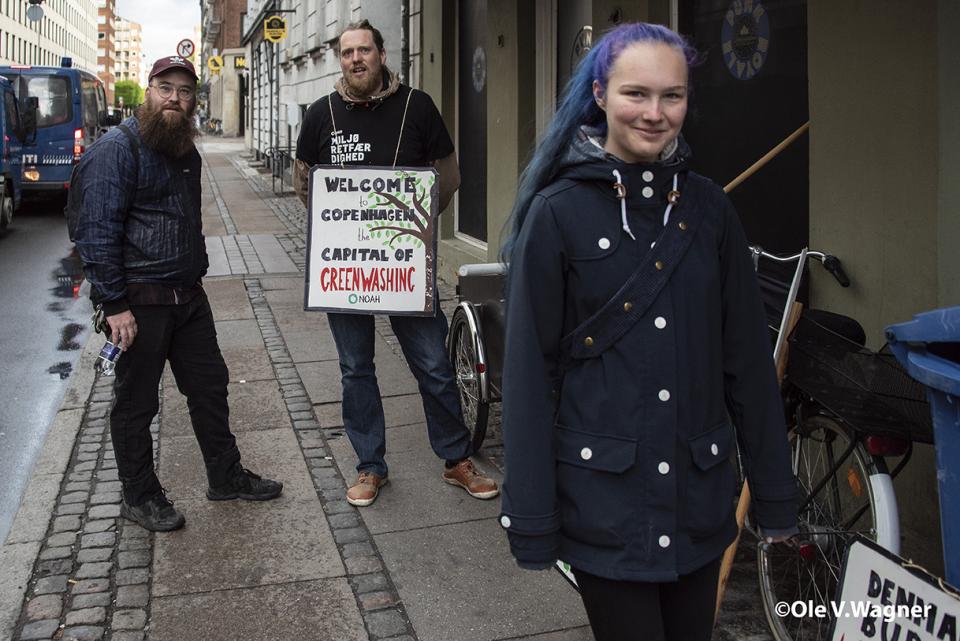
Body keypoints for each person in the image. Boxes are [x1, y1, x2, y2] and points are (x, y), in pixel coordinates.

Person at [497, 23, 798, 641]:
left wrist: (773, 493)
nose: (655, 114)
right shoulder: (556, 214)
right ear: (601, 94)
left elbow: (746, 364)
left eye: (673, 96)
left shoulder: (710, 211)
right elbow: (529, 376)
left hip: (700, 499)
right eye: (637, 94)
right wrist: (530, 513)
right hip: (604, 503)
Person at [294, 19, 499, 507]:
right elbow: (307, 183)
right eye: (347, 53)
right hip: (345, 271)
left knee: (432, 363)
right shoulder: (321, 114)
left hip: (406, 266)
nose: (356, 59)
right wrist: (342, 230)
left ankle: (456, 459)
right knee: (355, 369)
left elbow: (447, 178)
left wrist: (416, 230)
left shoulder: (418, 107)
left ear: (382, 54)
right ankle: (370, 466)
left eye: (364, 50)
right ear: (340, 59)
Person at [73, 56, 283, 532]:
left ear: (193, 100)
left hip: (187, 296)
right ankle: (140, 495)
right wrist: (115, 305)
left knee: (210, 387)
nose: (175, 98)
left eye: (185, 91)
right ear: (148, 91)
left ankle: (225, 475)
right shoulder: (117, 149)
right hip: (139, 303)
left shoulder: (184, 149)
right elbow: (96, 230)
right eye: (165, 88)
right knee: (136, 404)